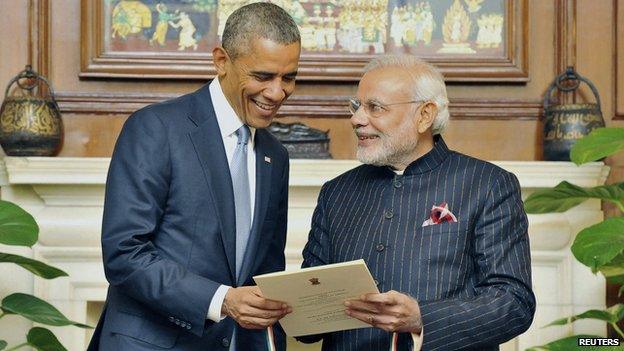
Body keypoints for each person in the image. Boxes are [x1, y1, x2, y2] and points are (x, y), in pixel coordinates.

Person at [88, 3, 300, 350]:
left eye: (288, 77)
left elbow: (265, 272)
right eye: (263, 76)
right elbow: (125, 254)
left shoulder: (275, 156)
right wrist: (222, 300)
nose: (277, 93)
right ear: (221, 61)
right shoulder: (155, 128)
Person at [298, 55, 535, 350]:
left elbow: (514, 303)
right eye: (356, 106)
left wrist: (423, 318)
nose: (357, 119)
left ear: (424, 115)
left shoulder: (487, 185)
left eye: (375, 107)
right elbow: (307, 321)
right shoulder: (336, 192)